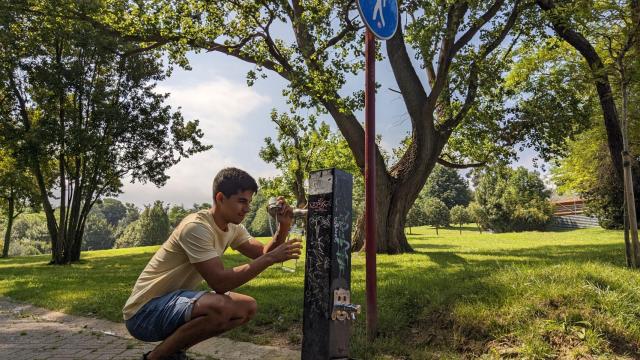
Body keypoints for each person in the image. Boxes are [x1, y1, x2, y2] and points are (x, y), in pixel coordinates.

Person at [122, 167, 302, 360]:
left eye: (249, 202)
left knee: (246, 307)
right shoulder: (196, 227)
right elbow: (220, 283)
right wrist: (271, 259)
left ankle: (173, 353)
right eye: (241, 201)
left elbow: (261, 252)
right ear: (220, 198)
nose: (247, 208)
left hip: (172, 304)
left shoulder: (233, 227)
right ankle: (156, 358)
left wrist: (283, 226)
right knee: (220, 307)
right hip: (143, 313)